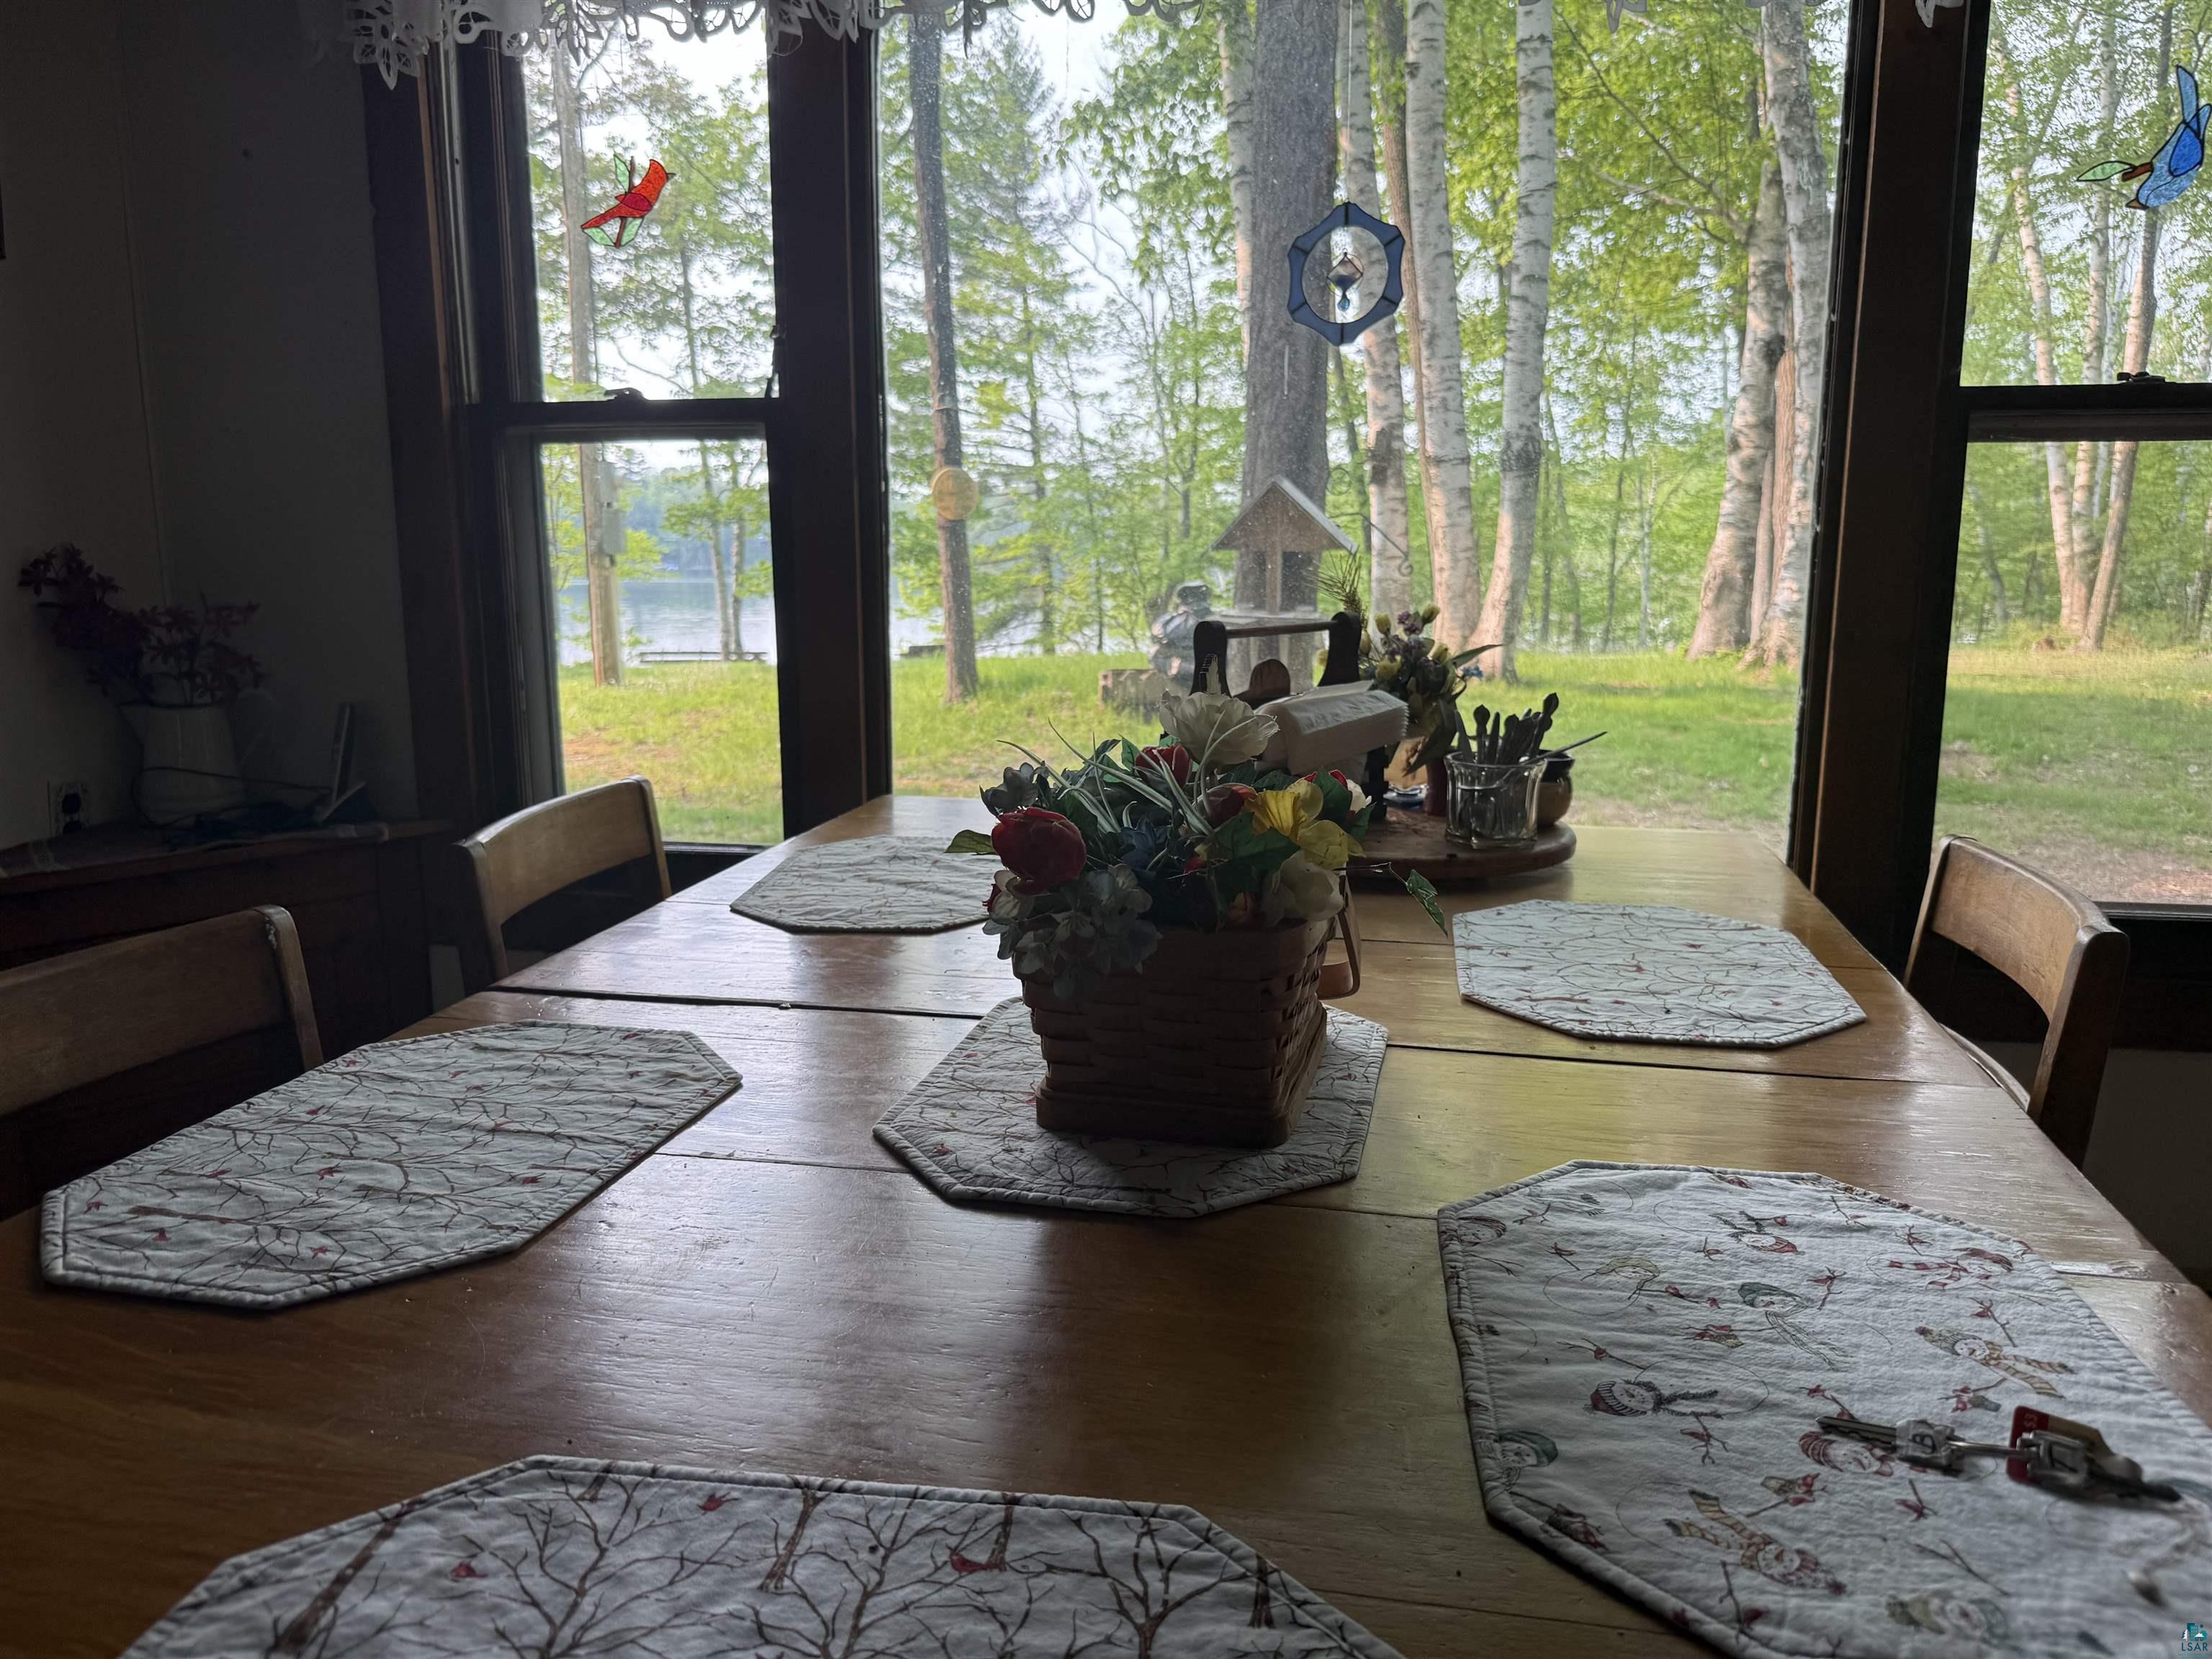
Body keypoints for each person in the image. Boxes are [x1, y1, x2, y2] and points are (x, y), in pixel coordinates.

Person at [1148, 580, 1213, 689]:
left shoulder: (1214, 619)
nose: (1194, 599)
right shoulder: (1170, 621)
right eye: (1191, 595)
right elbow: (1160, 639)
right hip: (1183, 663)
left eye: (1196, 595)